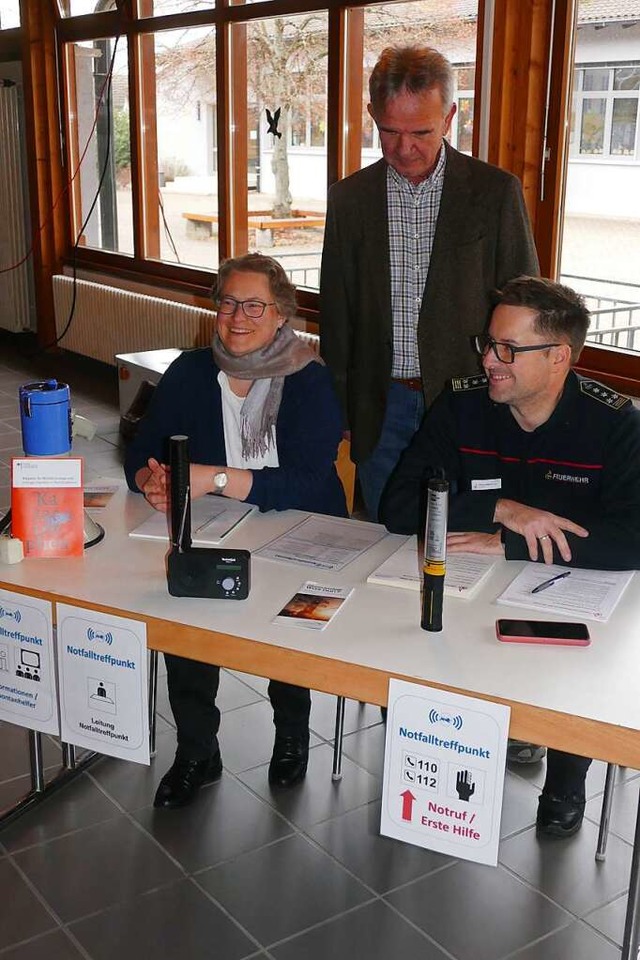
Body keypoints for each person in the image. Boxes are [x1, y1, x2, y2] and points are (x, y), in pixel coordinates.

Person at [380, 275, 640, 837]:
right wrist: (499, 507)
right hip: (475, 593)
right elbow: (399, 505)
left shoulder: (616, 423)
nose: (491, 360)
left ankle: (567, 774)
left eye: (509, 350)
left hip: (572, 599)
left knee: (578, 658)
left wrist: (514, 543)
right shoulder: (464, 405)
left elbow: (633, 538)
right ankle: (465, 752)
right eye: (489, 343)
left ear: (559, 357)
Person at [125, 253, 347, 809]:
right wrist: (154, 480)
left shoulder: (309, 379)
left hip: (303, 529)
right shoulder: (190, 371)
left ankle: (292, 734)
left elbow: (304, 481)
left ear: (282, 316)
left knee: (287, 632)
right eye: (228, 302)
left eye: (254, 305)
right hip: (216, 529)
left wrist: (215, 478)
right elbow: (140, 449)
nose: (238, 316)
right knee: (186, 621)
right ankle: (198, 750)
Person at [319, 44, 539, 524]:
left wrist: (519, 393)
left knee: (469, 530)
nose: (404, 148)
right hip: (382, 403)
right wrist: (342, 409)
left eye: (420, 131)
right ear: (372, 113)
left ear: (450, 116)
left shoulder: (494, 193)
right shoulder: (349, 199)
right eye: (389, 131)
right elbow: (338, 315)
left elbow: (526, 308)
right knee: (387, 532)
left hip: (471, 399)